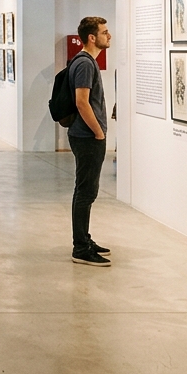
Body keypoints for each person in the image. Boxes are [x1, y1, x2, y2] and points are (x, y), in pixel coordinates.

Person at [68, 16, 113, 267]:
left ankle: (84, 238)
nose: (110, 36)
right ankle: (80, 247)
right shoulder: (85, 64)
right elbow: (82, 102)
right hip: (87, 137)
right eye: (105, 32)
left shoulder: (85, 61)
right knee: (85, 192)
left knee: (86, 190)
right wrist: (98, 132)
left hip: (84, 135)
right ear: (92, 37)